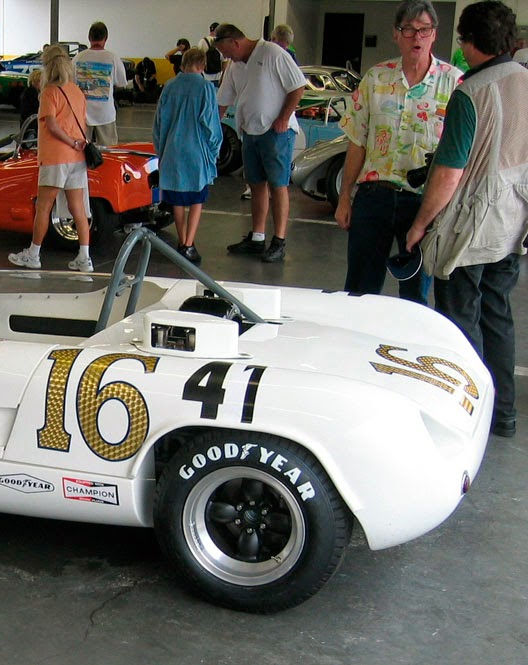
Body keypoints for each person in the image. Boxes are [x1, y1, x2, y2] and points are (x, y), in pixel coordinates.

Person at [404, 0, 528, 438]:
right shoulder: (524, 79)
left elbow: (448, 173)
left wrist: (420, 224)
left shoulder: (470, 92)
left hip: (470, 227)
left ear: (470, 42)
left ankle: (467, 414)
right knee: (498, 313)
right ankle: (503, 413)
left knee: (458, 322)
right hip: (514, 221)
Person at [335, 0, 461, 304]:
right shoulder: (376, 79)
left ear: (434, 34)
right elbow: (358, 142)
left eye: (424, 30)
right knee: (359, 290)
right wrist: (345, 197)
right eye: (409, 30)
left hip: (423, 204)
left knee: (415, 293)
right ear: (396, 34)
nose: (417, 37)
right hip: (374, 197)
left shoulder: (454, 83)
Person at [215, 23, 306, 263]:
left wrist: (283, 118)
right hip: (250, 131)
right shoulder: (235, 67)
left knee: (278, 185)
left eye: (227, 51)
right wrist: (211, 130)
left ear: (235, 42)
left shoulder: (272, 53)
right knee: (255, 184)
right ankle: (257, 238)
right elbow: (223, 101)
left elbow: (298, 87)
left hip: (276, 132)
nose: (227, 57)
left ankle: (279, 241)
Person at [8, 45, 92, 273]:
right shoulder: (77, 91)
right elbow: (83, 123)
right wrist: (76, 143)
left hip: (55, 157)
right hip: (77, 158)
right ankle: (84, 257)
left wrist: (69, 141)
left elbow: (52, 125)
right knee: (78, 207)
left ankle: (33, 254)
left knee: (43, 206)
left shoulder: (49, 92)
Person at [153, 47, 222, 264]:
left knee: (177, 199)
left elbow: (159, 123)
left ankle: (181, 240)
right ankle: (189, 244)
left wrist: (161, 150)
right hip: (196, 151)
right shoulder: (205, 88)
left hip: (172, 150)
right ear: (202, 65)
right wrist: (214, 150)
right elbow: (211, 124)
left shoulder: (170, 86)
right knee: (196, 198)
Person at [72, 21, 127, 146]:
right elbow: (121, 83)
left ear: (89, 37)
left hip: (82, 114)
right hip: (105, 114)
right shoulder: (113, 58)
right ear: (106, 38)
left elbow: (70, 83)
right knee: (109, 150)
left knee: (80, 151)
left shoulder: (78, 58)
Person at [19, 67, 42, 139]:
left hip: (30, 123)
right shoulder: (30, 92)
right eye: (39, 81)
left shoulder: (36, 92)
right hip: (31, 124)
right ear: (33, 81)